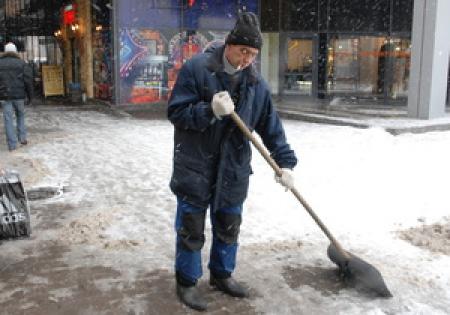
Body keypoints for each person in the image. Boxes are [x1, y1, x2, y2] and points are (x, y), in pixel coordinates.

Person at [167, 12, 297, 311]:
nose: (246, 59)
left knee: (228, 226)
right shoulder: (197, 70)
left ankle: (222, 275)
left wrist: (286, 164)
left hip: (233, 172)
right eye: (243, 51)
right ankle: (186, 282)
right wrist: (209, 110)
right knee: (191, 230)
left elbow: (271, 128)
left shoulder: (256, 85)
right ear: (229, 44)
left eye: (252, 54)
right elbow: (176, 113)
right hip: (196, 168)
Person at [0, 42, 33, 151]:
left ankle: (12, 145)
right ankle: (22, 138)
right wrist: (30, 96)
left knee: (8, 120)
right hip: (19, 96)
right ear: (15, 51)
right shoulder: (22, 63)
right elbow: (28, 80)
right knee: (20, 116)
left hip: (5, 96)